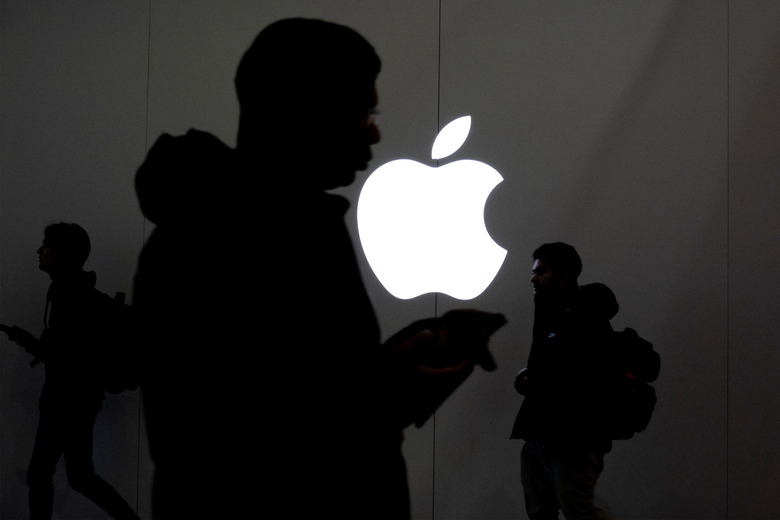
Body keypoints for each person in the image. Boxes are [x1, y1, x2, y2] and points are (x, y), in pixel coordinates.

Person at [133, 17, 500, 519]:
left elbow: (296, 388)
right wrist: (383, 394)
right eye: (360, 109)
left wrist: (386, 371)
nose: (374, 129)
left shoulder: (278, 222)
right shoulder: (225, 235)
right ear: (289, 109)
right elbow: (230, 444)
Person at [0, 223, 140, 520]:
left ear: (63, 255)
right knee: (79, 476)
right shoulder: (74, 289)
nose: (39, 251)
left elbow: (64, 357)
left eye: (46, 246)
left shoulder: (67, 292)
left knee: (42, 475)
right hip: (79, 398)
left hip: (66, 399)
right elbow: (69, 353)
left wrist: (27, 341)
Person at [510, 243, 618, 520]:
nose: (533, 278)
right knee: (542, 512)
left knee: (579, 513)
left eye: (541, 271)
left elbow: (585, 375)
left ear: (564, 276)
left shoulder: (585, 314)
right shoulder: (550, 311)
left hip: (573, 436)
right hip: (541, 434)